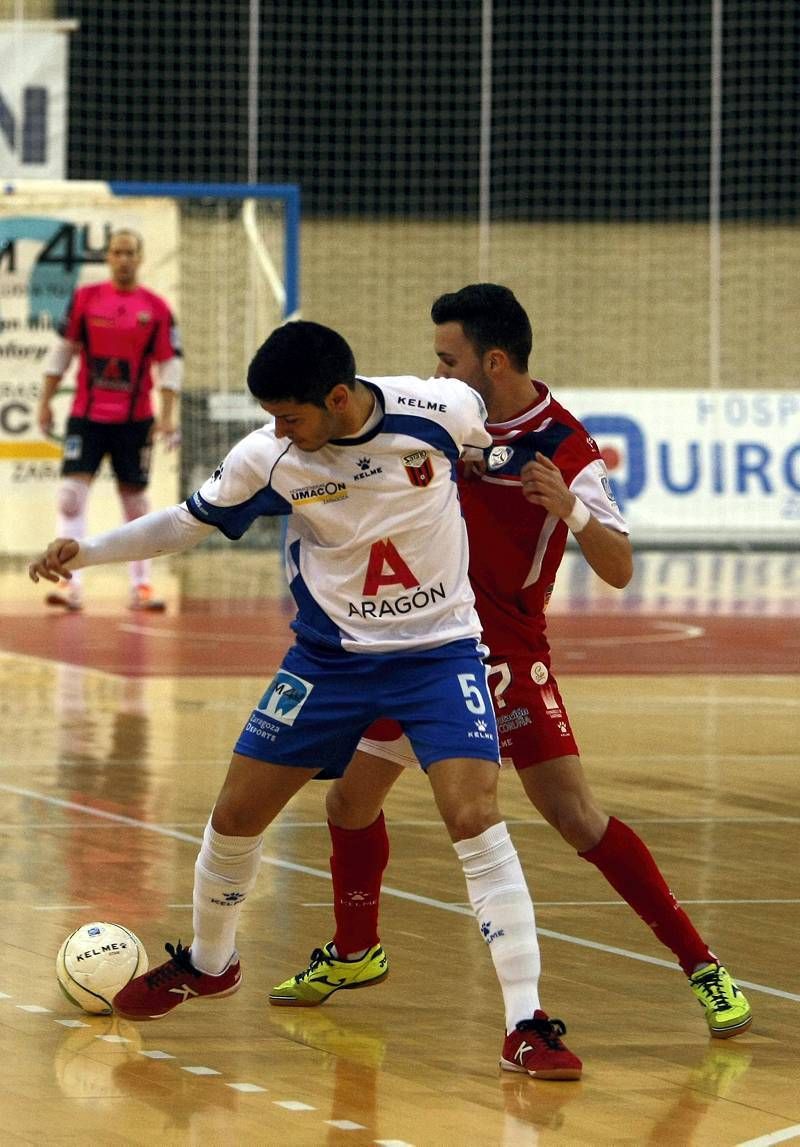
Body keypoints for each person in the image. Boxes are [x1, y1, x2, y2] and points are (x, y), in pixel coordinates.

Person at [29, 319, 582, 1081]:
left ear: (338, 395)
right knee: (233, 815)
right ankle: (212, 962)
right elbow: (186, 522)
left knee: (474, 816)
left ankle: (527, 1023)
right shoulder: (270, 454)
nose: (277, 430)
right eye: (271, 418)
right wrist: (85, 549)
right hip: (327, 663)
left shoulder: (443, 408)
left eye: (291, 416)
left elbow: (500, 444)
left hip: (438, 654)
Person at [268, 285, 753, 1042]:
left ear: (492, 362)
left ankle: (703, 965)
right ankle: (357, 952)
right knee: (348, 805)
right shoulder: (439, 417)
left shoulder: (565, 446)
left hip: (501, 654)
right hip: (421, 646)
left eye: (447, 357)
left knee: (574, 816)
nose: (436, 370)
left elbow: (620, 566)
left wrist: (572, 508)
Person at [37, 228, 182, 612]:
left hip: (135, 421)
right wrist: (45, 401)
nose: (123, 258)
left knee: (136, 506)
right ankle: (71, 585)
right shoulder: (86, 299)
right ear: (108, 257)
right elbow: (62, 353)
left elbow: (170, 365)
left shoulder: (156, 307)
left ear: (140, 257)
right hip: (87, 417)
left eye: (130, 252)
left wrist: (167, 416)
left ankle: (142, 586)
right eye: (116, 252)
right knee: (70, 499)